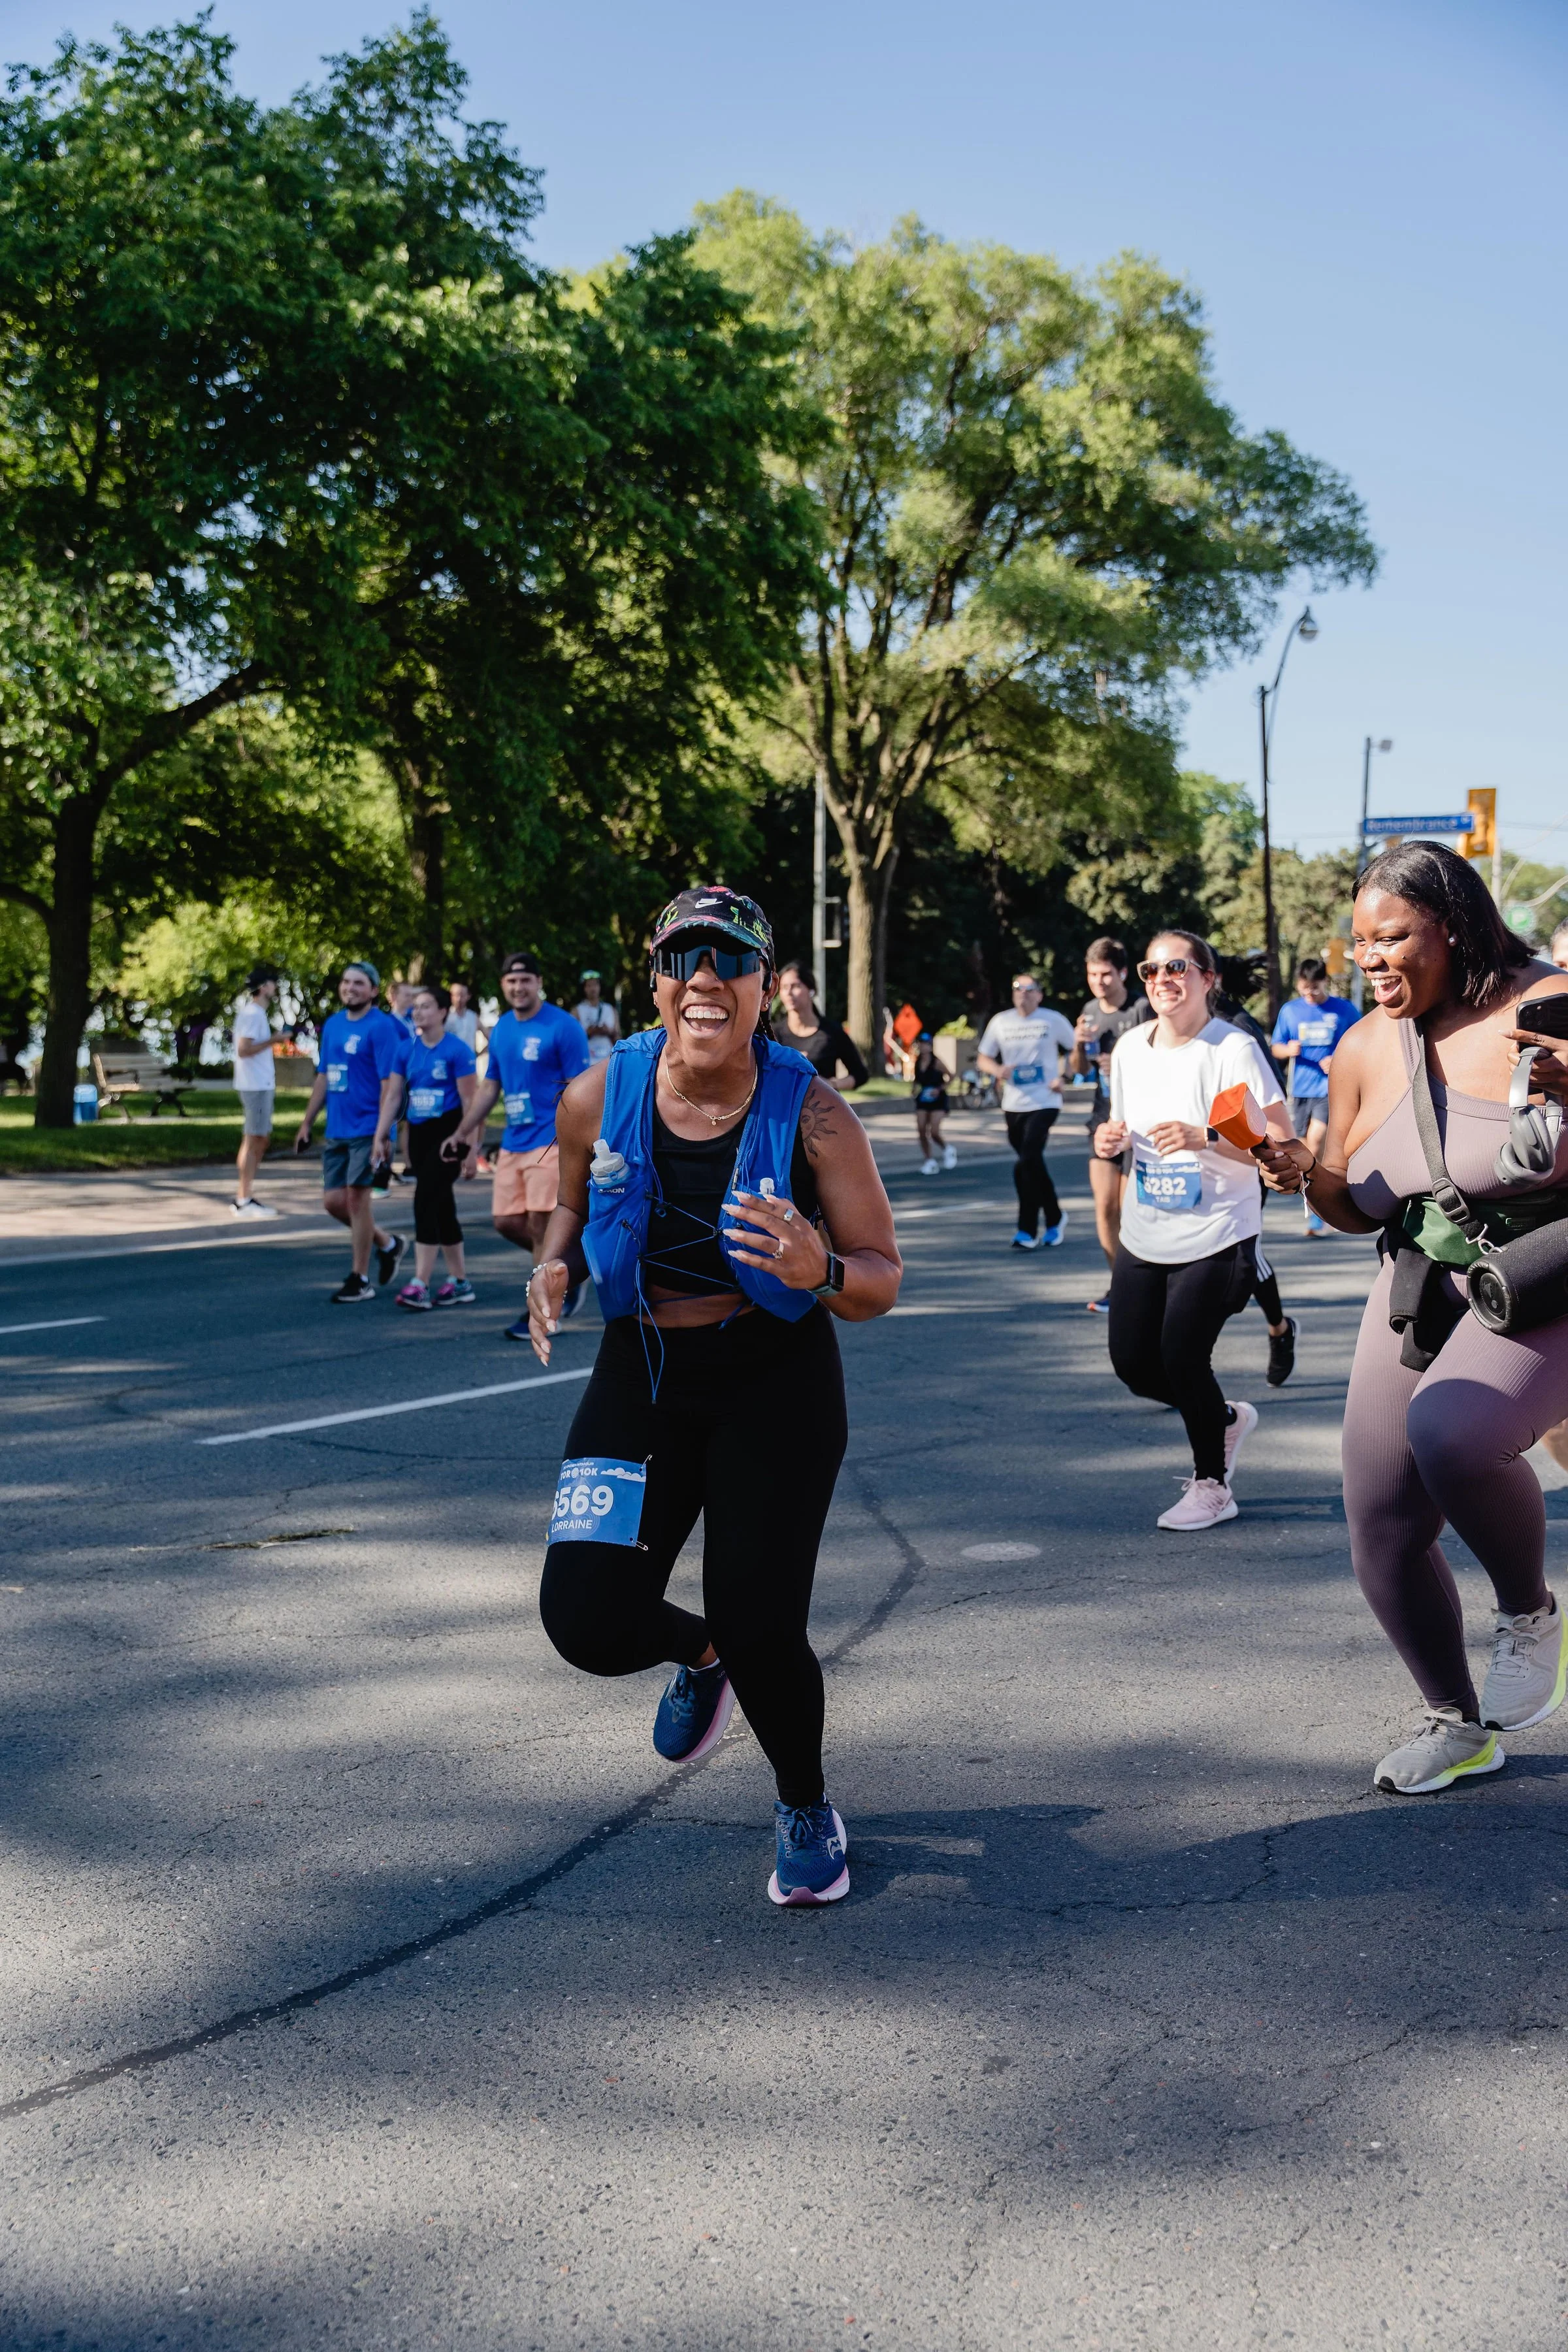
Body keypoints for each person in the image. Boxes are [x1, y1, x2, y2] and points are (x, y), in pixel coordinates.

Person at [527, 885, 902, 1908]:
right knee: (587, 1619)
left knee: (762, 1619)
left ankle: (804, 1801)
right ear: (652, 982)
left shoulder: (817, 1117)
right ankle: (700, 1653)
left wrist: (820, 1266)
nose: (704, 979)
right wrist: (556, 1265)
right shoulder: (597, 1095)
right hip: (639, 1366)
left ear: (762, 989)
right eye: (682, 960)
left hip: (771, 1376)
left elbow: (880, 1277)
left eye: (728, 962)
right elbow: (567, 1200)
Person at [1254, 841, 1568, 1794]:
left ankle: (1530, 1614)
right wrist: (1305, 1175)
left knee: (1454, 1431)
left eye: (1392, 937)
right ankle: (1457, 1724)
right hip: (1425, 1283)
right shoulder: (1361, 1047)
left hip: (1545, 1275)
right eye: (1360, 945)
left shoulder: (1547, 1009)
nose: (1372, 959)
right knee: (1382, 1520)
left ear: (1457, 925)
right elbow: (1358, 1205)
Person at [1096, 930, 1291, 1531]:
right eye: (1152, 970)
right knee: (1133, 1363)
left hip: (1218, 1231)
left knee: (1183, 1356)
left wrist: (1208, 1138)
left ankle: (1213, 1483)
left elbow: (1282, 1148)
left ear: (1210, 979)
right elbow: (1123, 1129)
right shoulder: (1129, 1047)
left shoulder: (1230, 1050)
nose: (1162, 980)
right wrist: (1110, 1140)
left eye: (1177, 968)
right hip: (1147, 1227)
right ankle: (1225, 1418)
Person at [444, 952, 591, 1342]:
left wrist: (579, 1141)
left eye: (525, 980)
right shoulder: (504, 1028)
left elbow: (583, 1089)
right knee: (507, 1223)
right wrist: (463, 1133)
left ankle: (542, 1309)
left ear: (539, 983)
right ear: (503, 987)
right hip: (514, 1142)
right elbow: (490, 1086)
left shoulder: (563, 1027)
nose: (518, 987)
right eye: (511, 982)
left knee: (543, 1224)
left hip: (551, 1141)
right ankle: (569, 1269)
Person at [292, 961, 406, 1302]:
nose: (350, 988)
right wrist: (307, 1122)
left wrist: (382, 1134)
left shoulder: (382, 1027)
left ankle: (360, 1278)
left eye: (359, 983)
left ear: (373, 991)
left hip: (368, 1128)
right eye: (346, 982)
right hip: (338, 1128)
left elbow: (391, 1086)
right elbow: (325, 1076)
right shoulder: (333, 1025)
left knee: (358, 1201)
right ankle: (388, 1244)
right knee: (333, 1203)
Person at [373, 984, 480, 1310]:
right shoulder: (406, 1050)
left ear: (443, 1012)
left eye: (426, 1007)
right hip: (418, 1135)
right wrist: (381, 1135)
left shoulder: (458, 1051)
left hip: (450, 1135)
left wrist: (472, 1149)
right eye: (415, 1007)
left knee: (425, 1201)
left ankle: (420, 1283)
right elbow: (393, 1096)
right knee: (441, 1204)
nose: (418, 1012)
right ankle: (460, 1281)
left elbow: (471, 1103)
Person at [1068, 936, 1152, 1309]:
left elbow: (1159, 1061)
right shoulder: (1088, 1011)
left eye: (1105, 974)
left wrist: (1120, 1063)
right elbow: (1078, 1071)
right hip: (1103, 1117)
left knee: (1129, 1207)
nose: (1099, 982)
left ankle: (1142, 1283)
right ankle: (1120, 1285)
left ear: (1121, 973)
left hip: (1138, 1119)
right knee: (1104, 1207)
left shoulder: (1141, 1009)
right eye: (1092, 974)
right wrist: (1077, 1045)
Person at [977, 974, 1077, 1250]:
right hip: (1013, 1104)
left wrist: (1065, 1077)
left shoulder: (1052, 1020)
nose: (1023, 994)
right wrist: (998, 1070)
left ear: (1039, 995)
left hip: (1046, 1101)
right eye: (1018, 989)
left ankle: (1030, 1227)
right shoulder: (1001, 1021)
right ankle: (1049, 1221)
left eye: (1029, 989)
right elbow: (983, 1057)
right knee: (1030, 1165)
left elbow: (1076, 1049)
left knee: (1028, 1160)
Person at [1271, 957, 1361, 1235]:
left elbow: (1362, 1042)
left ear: (1324, 982)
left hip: (1329, 1088)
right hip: (1299, 1090)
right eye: (1304, 988)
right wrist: (1289, 1050)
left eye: (1314, 988)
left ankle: (1318, 1200)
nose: (1309, 993)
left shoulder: (1343, 1010)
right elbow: (1276, 1047)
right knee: (1301, 1143)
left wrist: (1338, 1059)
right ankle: (1312, 1191)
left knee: (1318, 1139)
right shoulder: (1290, 1011)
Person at [772, 963, 868, 1093]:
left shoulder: (831, 1032)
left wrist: (830, 1084)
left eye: (796, 986)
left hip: (822, 1109)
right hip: (784, 1109)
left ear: (811, 990)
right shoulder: (773, 1034)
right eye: (784, 987)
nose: (789, 993)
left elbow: (860, 1075)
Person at [231, 966, 280, 1219]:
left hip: (258, 1084)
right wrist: (276, 1039)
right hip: (255, 1086)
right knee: (253, 1140)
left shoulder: (254, 1014)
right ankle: (243, 1199)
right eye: (272, 983)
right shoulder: (254, 1014)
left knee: (260, 1139)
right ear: (263, 988)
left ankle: (244, 1196)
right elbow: (243, 1049)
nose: (275, 987)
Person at [910, 1032, 953, 1172]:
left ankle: (947, 1148)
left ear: (930, 1046)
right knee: (921, 1129)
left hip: (937, 1099)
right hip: (923, 1098)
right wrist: (914, 1089)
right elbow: (917, 1080)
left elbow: (951, 1076)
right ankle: (929, 1160)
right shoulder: (917, 1062)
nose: (923, 1047)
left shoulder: (937, 1062)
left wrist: (940, 1089)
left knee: (934, 1131)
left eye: (926, 1045)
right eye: (921, 1044)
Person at [574, 971, 620, 1065]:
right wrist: (589, 1032)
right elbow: (572, 1040)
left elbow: (618, 1037)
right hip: (586, 1061)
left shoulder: (611, 1010)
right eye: (589, 985)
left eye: (595, 985)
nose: (593, 989)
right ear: (584, 988)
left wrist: (609, 1032)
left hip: (608, 1060)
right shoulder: (577, 1011)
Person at [444, 981, 480, 1051]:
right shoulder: (444, 1016)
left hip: (468, 1060)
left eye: (462, 995)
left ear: (468, 996)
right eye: (456, 995)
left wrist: (480, 1053)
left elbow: (490, 1037)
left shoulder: (473, 1017)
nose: (459, 999)